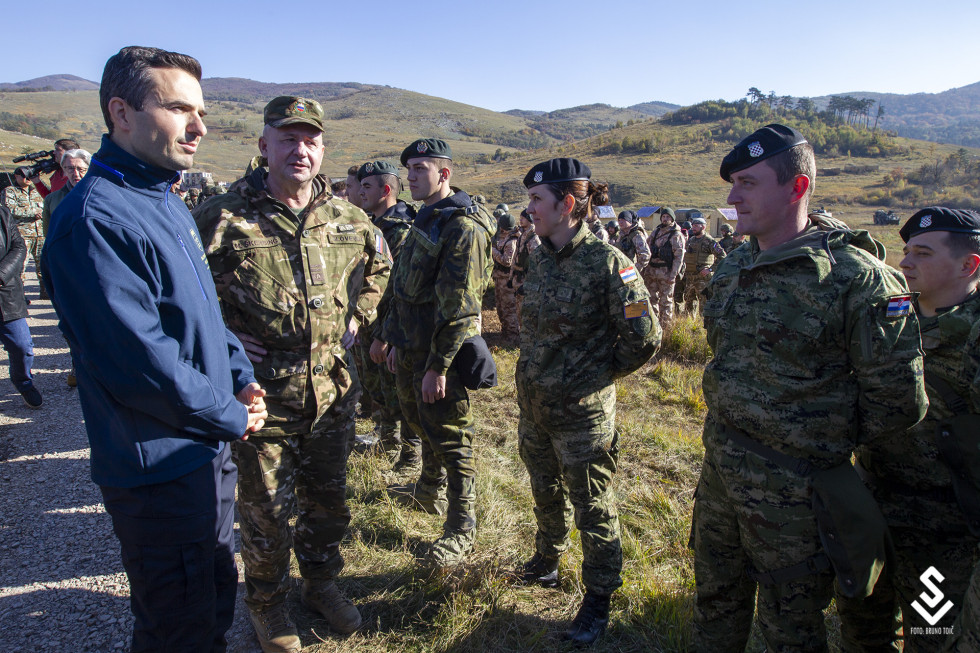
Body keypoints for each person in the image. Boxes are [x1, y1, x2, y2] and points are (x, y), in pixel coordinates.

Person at [42, 45, 268, 653]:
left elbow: (201, 312)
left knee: (217, 599)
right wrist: (230, 413)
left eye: (200, 111)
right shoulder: (95, 220)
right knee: (179, 628)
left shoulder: (162, 198)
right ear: (121, 112)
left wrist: (240, 375)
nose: (199, 127)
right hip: (159, 464)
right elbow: (141, 363)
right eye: (177, 108)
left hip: (203, 447)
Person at [690, 123, 928, 652]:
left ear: (797, 187)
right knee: (714, 604)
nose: (731, 197)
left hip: (797, 498)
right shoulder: (733, 266)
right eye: (732, 184)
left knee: (790, 630)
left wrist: (813, 440)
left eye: (748, 183)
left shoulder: (858, 279)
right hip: (721, 478)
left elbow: (898, 402)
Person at [194, 96, 389, 650]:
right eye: (287, 138)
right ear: (264, 146)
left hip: (332, 392)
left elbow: (380, 265)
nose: (300, 150)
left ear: (323, 150)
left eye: (310, 140)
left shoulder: (348, 217)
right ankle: (268, 606)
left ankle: (321, 586)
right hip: (262, 397)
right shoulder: (222, 217)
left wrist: (359, 313)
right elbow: (183, 294)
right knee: (266, 517)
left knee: (329, 504)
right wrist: (227, 333)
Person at [515, 158, 660, 644]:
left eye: (537, 200)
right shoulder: (537, 255)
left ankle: (599, 599)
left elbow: (644, 336)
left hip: (581, 415)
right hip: (535, 406)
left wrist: (594, 375)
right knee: (542, 487)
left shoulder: (608, 265)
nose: (529, 208)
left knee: (593, 506)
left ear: (568, 204)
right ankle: (546, 559)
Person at [837, 207, 980, 652]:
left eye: (921, 253)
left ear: (969, 264)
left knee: (930, 636)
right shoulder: (891, 314)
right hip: (873, 505)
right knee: (861, 628)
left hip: (942, 527)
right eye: (905, 251)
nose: (905, 263)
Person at [370, 138, 495, 567]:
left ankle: (462, 526)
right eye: (409, 169)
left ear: (445, 174)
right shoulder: (427, 218)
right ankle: (428, 490)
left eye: (421, 168)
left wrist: (438, 367)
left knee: (453, 439)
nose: (411, 176)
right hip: (412, 345)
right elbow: (401, 287)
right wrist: (391, 336)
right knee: (421, 422)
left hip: (440, 355)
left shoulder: (462, 227)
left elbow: (460, 308)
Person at [353, 160, 422, 476]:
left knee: (402, 394)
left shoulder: (401, 230)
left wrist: (389, 337)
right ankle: (386, 439)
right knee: (380, 388)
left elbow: (400, 289)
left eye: (367, 186)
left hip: (393, 328)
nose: (361, 192)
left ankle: (410, 457)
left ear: (385, 190)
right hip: (374, 324)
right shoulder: (375, 224)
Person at [0, 205, 41, 408]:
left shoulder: (2, 213)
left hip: (6, 294)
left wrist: (2, 274)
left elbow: (18, 246)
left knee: (22, 346)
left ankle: (24, 383)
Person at [2, 167, 45, 296]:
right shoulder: (10, 191)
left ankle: (46, 292)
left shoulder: (37, 190)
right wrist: (33, 213)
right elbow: (9, 210)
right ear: (16, 176)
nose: (28, 179)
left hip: (40, 233)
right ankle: (19, 295)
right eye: (25, 176)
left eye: (30, 176)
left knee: (43, 266)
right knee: (20, 267)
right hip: (22, 234)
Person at [644, 206, 685, 328]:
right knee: (651, 300)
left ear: (672, 219)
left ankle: (665, 328)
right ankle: (653, 327)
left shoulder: (676, 235)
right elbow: (646, 247)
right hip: (651, 271)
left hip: (666, 272)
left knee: (665, 302)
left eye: (668, 217)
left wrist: (673, 275)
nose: (665, 219)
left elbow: (679, 257)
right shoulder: (656, 232)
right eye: (663, 217)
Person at [681, 216, 726, 315]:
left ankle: (703, 326)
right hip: (690, 277)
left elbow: (722, 257)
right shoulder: (691, 240)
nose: (693, 227)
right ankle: (689, 325)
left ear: (703, 227)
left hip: (703, 279)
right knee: (688, 302)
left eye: (696, 225)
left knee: (704, 304)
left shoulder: (709, 241)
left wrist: (710, 270)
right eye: (693, 225)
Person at [41, 149, 91, 237]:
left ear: (89, 170)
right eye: (70, 168)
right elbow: (48, 234)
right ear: (64, 169)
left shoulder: (101, 197)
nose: (76, 174)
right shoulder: (52, 199)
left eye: (81, 169)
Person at [492, 210, 521, 341]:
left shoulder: (512, 241)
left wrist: (493, 251)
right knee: (501, 307)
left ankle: (513, 336)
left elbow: (507, 261)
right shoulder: (503, 238)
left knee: (509, 309)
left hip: (506, 279)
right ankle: (505, 332)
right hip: (499, 278)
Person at [510, 209, 540, 325]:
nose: (520, 220)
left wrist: (529, 284)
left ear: (529, 219)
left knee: (527, 315)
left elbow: (537, 265)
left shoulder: (533, 239)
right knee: (519, 313)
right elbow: (515, 258)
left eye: (523, 218)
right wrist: (510, 277)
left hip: (526, 282)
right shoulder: (522, 236)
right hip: (518, 280)